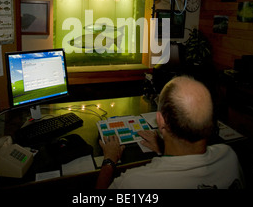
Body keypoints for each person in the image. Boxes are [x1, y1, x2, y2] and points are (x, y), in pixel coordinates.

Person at [95, 76, 244, 189]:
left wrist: (109, 161)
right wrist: (162, 149)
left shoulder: (135, 182)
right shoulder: (229, 156)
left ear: (160, 121)